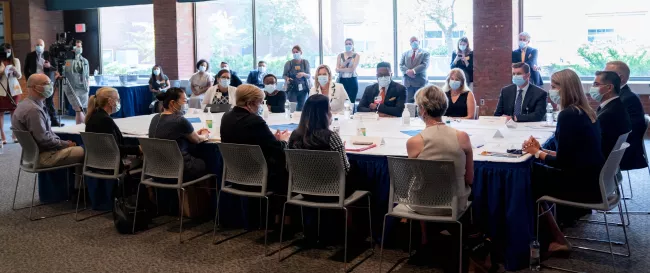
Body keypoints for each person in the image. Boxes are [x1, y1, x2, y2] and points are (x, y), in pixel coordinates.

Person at [523, 68, 604, 225]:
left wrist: (538, 153)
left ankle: (550, 234)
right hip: (592, 180)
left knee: (527, 173)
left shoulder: (568, 115)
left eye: (554, 87)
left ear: (565, 89)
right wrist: (541, 150)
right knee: (535, 168)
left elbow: (563, 162)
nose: (550, 91)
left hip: (579, 185)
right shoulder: (585, 111)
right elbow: (572, 154)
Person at [404, 85, 473, 269]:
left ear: (422, 111)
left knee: (424, 187)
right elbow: (470, 179)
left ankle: (426, 241)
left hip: (421, 204)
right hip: (454, 203)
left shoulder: (413, 142)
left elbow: (417, 179)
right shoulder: (463, 137)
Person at [11, 74, 84, 184]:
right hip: (44, 157)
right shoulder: (33, 110)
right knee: (88, 151)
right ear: (34, 87)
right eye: (46, 84)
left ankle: (77, 190)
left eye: (50, 83)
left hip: (31, 155)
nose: (51, 86)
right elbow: (44, 140)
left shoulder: (24, 104)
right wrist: (65, 144)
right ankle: (81, 193)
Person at [220, 84, 290, 193]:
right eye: (260, 102)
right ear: (249, 103)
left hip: (235, 174)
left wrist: (272, 139)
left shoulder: (226, 117)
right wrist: (283, 140)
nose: (261, 106)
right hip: (259, 175)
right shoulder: (255, 121)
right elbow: (275, 149)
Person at [148, 88, 210, 181]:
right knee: (209, 162)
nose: (186, 105)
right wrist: (205, 134)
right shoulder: (180, 120)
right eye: (185, 101)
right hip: (180, 170)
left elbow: (173, 134)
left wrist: (192, 134)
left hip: (158, 170)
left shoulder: (155, 118)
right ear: (173, 103)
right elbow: (197, 140)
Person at [289, 94, 350, 175]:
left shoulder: (294, 136)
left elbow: (288, 167)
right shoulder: (332, 137)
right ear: (324, 114)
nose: (331, 113)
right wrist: (342, 150)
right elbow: (344, 169)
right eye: (329, 110)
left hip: (301, 185)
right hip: (330, 185)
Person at [85, 87, 141, 169]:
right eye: (117, 99)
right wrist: (138, 149)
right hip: (111, 164)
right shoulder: (105, 120)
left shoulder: (93, 117)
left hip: (96, 163)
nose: (118, 102)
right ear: (110, 101)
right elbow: (114, 149)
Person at [605, 61, 647, 171]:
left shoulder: (626, 98)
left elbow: (625, 131)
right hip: (619, 146)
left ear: (621, 78)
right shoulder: (619, 95)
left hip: (624, 151)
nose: (602, 78)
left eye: (606, 75)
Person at [590, 71, 631, 159]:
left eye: (596, 84)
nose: (592, 88)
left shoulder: (609, 114)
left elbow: (594, 141)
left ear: (609, 88)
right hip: (606, 159)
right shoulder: (615, 105)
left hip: (598, 161)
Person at [24, 39, 61, 127]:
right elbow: (25, 69)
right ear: (35, 46)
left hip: (46, 80)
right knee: (35, 100)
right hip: (35, 81)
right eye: (37, 44)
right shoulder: (30, 55)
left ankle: (54, 120)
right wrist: (29, 80)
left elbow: (55, 67)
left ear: (44, 46)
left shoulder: (48, 54)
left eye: (40, 45)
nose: (39, 46)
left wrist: (49, 66)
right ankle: (37, 120)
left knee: (49, 101)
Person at [61, 40, 90, 125]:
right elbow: (64, 72)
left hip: (83, 87)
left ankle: (85, 127)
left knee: (84, 109)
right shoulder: (68, 61)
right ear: (73, 48)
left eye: (80, 46)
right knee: (78, 109)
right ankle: (79, 129)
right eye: (77, 46)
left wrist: (88, 86)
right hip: (72, 88)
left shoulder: (85, 61)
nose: (79, 48)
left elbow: (87, 75)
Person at [0, 43, 22, 143]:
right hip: (2, 90)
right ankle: (3, 136)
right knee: (1, 113)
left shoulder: (15, 60)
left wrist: (14, 70)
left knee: (14, 113)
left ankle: (14, 135)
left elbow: (19, 76)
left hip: (14, 89)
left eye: (9, 51)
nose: (7, 53)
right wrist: (2, 70)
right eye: (5, 51)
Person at [399, 36, 430, 103]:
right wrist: (407, 71)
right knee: (408, 105)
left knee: (421, 103)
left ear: (419, 42)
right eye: (412, 41)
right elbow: (401, 65)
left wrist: (413, 71)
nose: (414, 42)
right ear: (410, 44)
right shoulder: (405, 54)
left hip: (420, 82)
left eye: (415, 40)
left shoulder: (425, 53)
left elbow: (424, 65)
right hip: (407, 83)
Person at [283, 45, 311, 111]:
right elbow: (284, 75)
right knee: (292, 108)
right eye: (293, 52)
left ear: (301, 52)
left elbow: (309, 75)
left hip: (303, 89)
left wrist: (303, 74)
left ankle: (301, 121)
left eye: (297, 52)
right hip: (292, 88)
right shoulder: (289, 63)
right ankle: (291, 120)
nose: (295, 53)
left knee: (302, 108)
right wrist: (287, 79)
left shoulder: (305, 62)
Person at [335, 38, 360, 102]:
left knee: (351, 101)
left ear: (353, 45)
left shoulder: (356, 55)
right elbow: (337, 70)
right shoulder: (340, 55)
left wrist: (340, 68)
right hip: (342, 80)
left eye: (350, 44)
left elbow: (352, 69)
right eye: (346, 44)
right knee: (342, 101)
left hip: (352, 80)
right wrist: (346, 62)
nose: (348, 45)